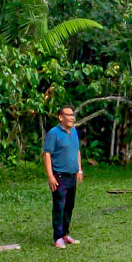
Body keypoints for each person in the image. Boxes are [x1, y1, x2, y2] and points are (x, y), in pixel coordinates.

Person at [43, 106, 83, 249]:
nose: (72, 118)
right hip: (59, 176)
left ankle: (65, 234)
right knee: (59, 206)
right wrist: (50, 176)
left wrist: (79, 170)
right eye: (69, 115)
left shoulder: (74, 132)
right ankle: (57, 237)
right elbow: (47, 154)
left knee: (69, 206)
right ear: (61, 117)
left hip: (72, 175)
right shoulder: (53, 133)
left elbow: (77, 151)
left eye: (73, 115)